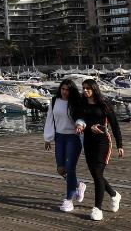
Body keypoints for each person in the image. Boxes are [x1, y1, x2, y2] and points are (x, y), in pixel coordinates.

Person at [75, 78, 124, 221]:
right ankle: (114, 194)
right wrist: (83, 125)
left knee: (97, 173)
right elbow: (79, 118)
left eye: (87, 88)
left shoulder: (104, 104)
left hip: (103, 143)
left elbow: (114, 125)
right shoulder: (82, 104)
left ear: (94, 89)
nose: (85, 90)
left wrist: (119, 145)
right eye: (83, 88)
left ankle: (97, 208)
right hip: (88, 142)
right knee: (97, 176)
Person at [43, 78, 86, 212]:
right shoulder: (54, 101)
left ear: (71, 91)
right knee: (61, 170)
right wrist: (48, 138)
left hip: (74, 137)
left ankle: (68, 200)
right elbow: (50, 119)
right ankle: (79, 185)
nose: (65, 92)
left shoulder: (77, 102)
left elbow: (82, 117)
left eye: (68, 90)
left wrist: (80, 124)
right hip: (59, 137)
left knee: (70, 168)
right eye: (63, 89)